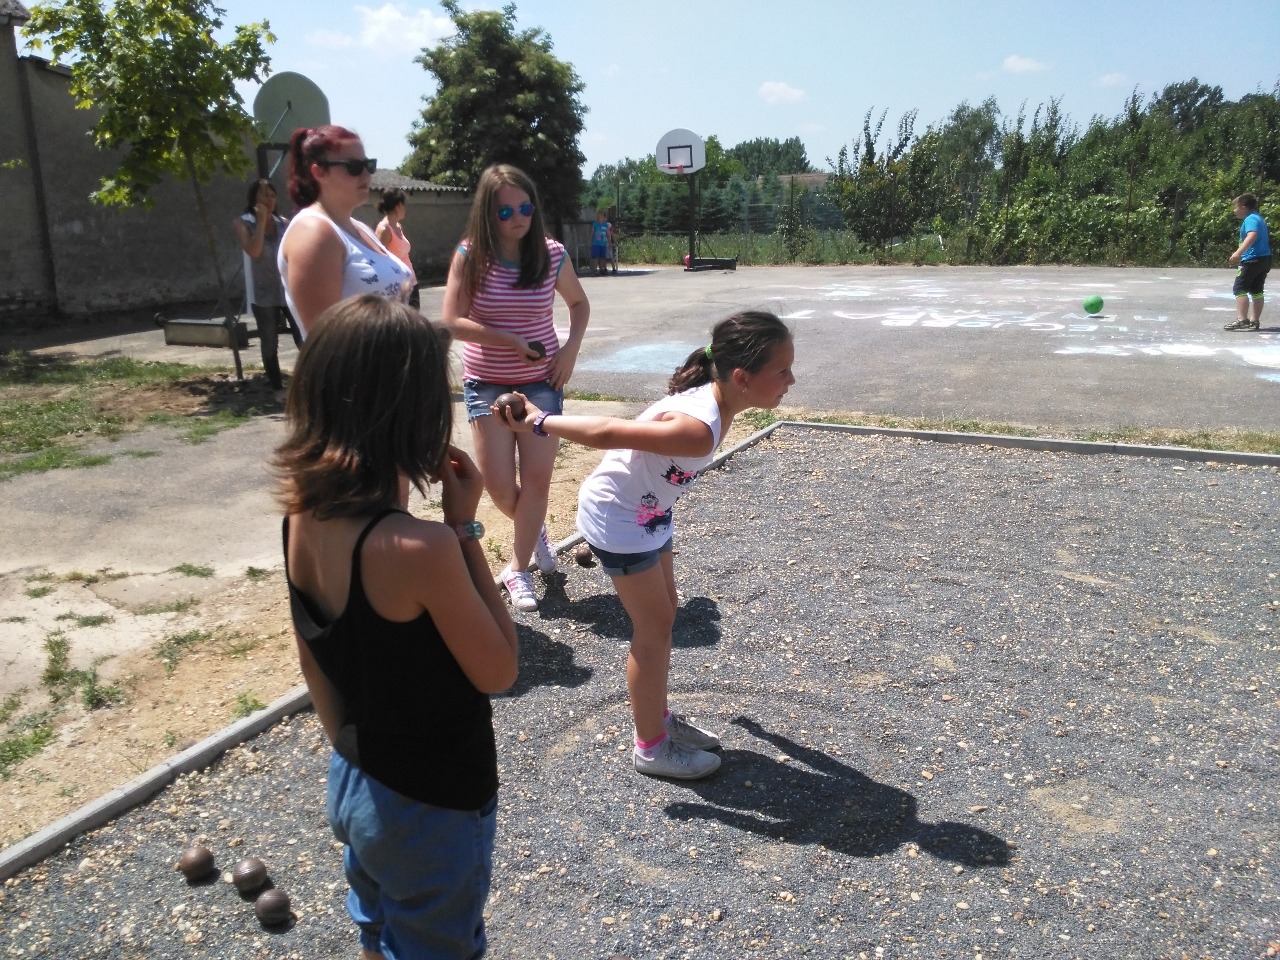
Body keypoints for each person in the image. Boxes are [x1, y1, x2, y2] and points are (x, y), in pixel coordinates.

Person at [276, 294, 518, 960]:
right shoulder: (419, 549)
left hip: (357, 780)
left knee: (377, 930)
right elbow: (500, 669)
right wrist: (464, 529)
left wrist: (353, 751)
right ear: (414, 414)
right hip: (430, 805)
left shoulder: (299, 517)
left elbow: (311, 659)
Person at [494, 310, 795, 779]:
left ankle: (657, 715)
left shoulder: (716, 401)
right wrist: (539, 420)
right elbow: (608, 432)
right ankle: (650, 747)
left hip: (651, 513)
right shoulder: (698, 427)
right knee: (653, 629)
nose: (791, 381)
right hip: (619, 518)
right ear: (742, 377)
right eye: (782, 371)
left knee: (665, 615)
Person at [441, 163, 590, 613]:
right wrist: (508, 340)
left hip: (542, 381)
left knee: (538, 482)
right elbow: (452, 321)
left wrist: (569, 351)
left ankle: (517, 568)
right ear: (488, 214)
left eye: (525, 208)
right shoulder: (470, 255)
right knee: (501, 488)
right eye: (505, 211)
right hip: (486, 382)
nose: (518, 218)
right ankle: (534, 529)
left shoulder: (551, 254)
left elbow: (579, 303)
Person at [277, 125, 414, 339]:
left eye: (369, 165)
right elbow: (327, 339)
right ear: (319, 172)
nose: (366, 174)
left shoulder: (359, 228)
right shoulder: (314, 233)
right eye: (354, 167)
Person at [232, 179, 297, 389]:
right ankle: (276, 387)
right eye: (264, 195)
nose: (269, 199)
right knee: (270, 342)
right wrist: (260, 223)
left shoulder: (284, 223)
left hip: (288, 289)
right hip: (263, 293)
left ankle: (309, 382)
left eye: (272, 195)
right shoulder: (243, 223)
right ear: (254, 199)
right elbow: (255, 252)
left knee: (303, 336)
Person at [1225, 193, 1271, 332]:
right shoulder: (1258, 218)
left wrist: (1238, 253)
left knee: (1240, 289)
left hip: (1252, 259)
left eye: (1236, 207)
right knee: (1257, 290)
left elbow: (1252, 235)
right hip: (1264, 259)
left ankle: (1242, 320)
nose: (1235, 210)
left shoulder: (1250, 219)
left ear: (1243, 207)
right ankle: (1254, 321)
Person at [375, 188, 420, 310]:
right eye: (404, 205)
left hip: (411, 283)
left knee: (414, 319)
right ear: (399, 205)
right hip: (397, 287)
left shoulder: (398, 226)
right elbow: (378, 260)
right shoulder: (384, 229)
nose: (405, 209)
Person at [590, 209, 613, 276]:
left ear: (603, 217)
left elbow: (608, 234)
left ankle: (602, 270)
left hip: (603, 243)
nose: (599, 218)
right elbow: (592, 233)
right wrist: (590, 242)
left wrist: (609, 242)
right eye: (598, 216)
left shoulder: (606, 225)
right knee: (596, 257)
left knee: (602, 257)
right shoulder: (595, 224)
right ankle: (595, 270)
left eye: (600, 216)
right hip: (595, 243)